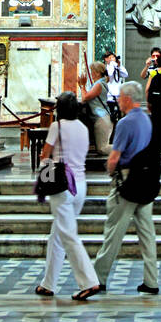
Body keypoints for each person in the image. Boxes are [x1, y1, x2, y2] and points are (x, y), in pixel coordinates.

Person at [91, 82, 159, 296]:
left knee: (113, 232)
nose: (118, 100)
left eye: (120, 97)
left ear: (128, 99)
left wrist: (111, 172)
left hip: (127, 181)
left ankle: (98, 278)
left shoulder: (124, 123)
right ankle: (151, 280)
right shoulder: (147, 120)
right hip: (146, 180)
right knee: (147, 234)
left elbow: (114, 158)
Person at [35, 91, 102, 302]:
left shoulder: (58, 126)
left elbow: (46, 154)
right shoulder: (83, 127)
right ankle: (48, 283)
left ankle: (89, 281)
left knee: (69, 235)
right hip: (80, 185)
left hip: (62, 186)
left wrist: (44, 159)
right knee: (58, 235)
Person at [81, 61, 113, 155]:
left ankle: (125, 149)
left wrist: (82, 86)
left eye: (92, 71)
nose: (91, 74)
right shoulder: (100, 83)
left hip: (101, 119)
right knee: (101, 148)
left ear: (98, 72)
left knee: (102, 148)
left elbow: (85, 98)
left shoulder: (99, 84)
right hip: (101, 118)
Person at [105, 52, 129, 130]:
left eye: (113, 57)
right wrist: (112, 64)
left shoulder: (117, 67)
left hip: (119, 96)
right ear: (106, 59)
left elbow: (125, 75)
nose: (112, 59)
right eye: (110, 57)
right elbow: (110, 74)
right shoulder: (107, 68)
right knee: (111, 117)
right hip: (110, 96)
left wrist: (119, 66)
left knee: (120, 116)